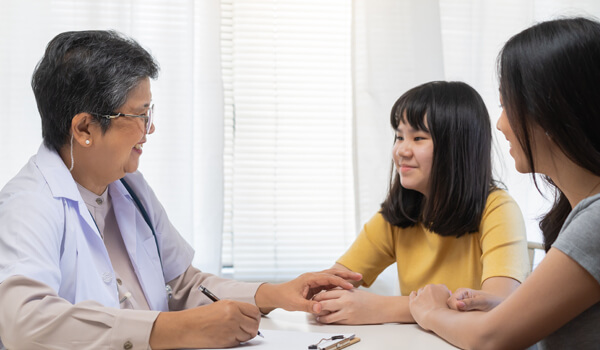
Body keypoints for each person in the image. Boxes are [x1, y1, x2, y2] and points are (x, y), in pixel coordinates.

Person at [0, 30, 362, 350]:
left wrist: (277, 294)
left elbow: (183, 284)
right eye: (139, 114)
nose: (149, 128)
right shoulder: (29, 205)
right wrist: (171, 329)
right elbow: (24, 322)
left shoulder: (129, 187)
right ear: (84, 129)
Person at [408, 17, 600, 349]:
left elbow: (489, 339)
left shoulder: (595, 222)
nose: (500, 124)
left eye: (505, 105)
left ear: (551, 110)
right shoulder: (583, 215)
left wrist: (428, 311)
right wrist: (505, 309)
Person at [313, 81, 530, 324]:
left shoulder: (498, 209)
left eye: (418, 137)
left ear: (456, 147)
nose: (401, 150)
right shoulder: (400, 214)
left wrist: (382, 308)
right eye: (399, 136)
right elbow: (327, 289)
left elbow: (497, 305)